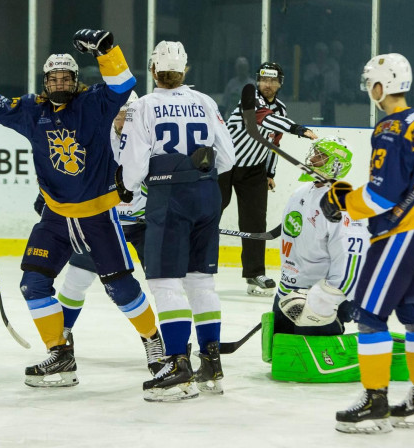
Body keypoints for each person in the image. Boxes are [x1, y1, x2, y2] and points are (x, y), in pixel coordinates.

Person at [0, 29, 161, 388]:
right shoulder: (33, 110)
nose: (59, 82)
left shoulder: (94, 104)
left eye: (66, 77)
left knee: (120, 288)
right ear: (45, 82)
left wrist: (106, 51)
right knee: (33, 284)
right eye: (53, 78)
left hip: (97, 215)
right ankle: (60, 353)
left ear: (76, 81)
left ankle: (153, 340)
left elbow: (123, 84)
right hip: (56, 216)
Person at [319, 53, 414, 433]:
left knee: (369, 315)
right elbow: (406, 181)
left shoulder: (389, 129)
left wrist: (342, 201)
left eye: (371, 82)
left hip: (399, 233)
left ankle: (375, 401)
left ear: (381, 86)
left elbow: (381, 197)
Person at [118, 40, 236, 402]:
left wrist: (128, 188)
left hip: (170, 198)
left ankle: (177, 366)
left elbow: (133, 167)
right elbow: (228, 158)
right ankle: (211, 366)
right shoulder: (206, 102)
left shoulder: (142, 106)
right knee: (202, 281)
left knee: (166, 283)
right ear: (186, 70)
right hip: (207, 195)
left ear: (152, 69)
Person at [42, 91, 152, 358]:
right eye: (118, 111)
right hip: (102, 222)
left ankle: (167, 343)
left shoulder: (150, 139)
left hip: (143, 224)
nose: (121, 117)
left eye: (127, 112)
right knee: (75, 282)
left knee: (164, 284)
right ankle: (62, 342)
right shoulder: (95, 137)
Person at [221, 61, 318, 296]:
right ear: (258, 80)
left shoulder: (282, 109)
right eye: (264, 79)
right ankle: (195, 265)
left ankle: (254, 273)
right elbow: (264, 119)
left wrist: (269, 173)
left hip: (254, 170)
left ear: (280, 84)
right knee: (208, 214)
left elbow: (273, 143)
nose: (268, 84)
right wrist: (297, 129)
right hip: (224, 166)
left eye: (273, 80)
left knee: (255, 222)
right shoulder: (249, 100)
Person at [271, 137, 369, 338]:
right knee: (283, 357)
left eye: (321, 156)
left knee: (312, 360)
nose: (312, 158)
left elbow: (351, 263)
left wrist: (325, 301)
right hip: (288, 290)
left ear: (336, 166)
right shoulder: (300, 193)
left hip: (320, 297)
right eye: (314, 152)